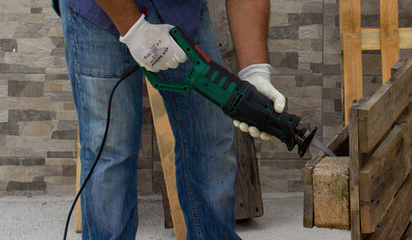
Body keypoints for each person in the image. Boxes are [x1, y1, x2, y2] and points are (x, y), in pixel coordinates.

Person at [53, 0, 285, 239]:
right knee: (112, 151)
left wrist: (255, 71)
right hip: (100, 11)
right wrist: (134, 30)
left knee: (210, 143)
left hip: (180, 9)